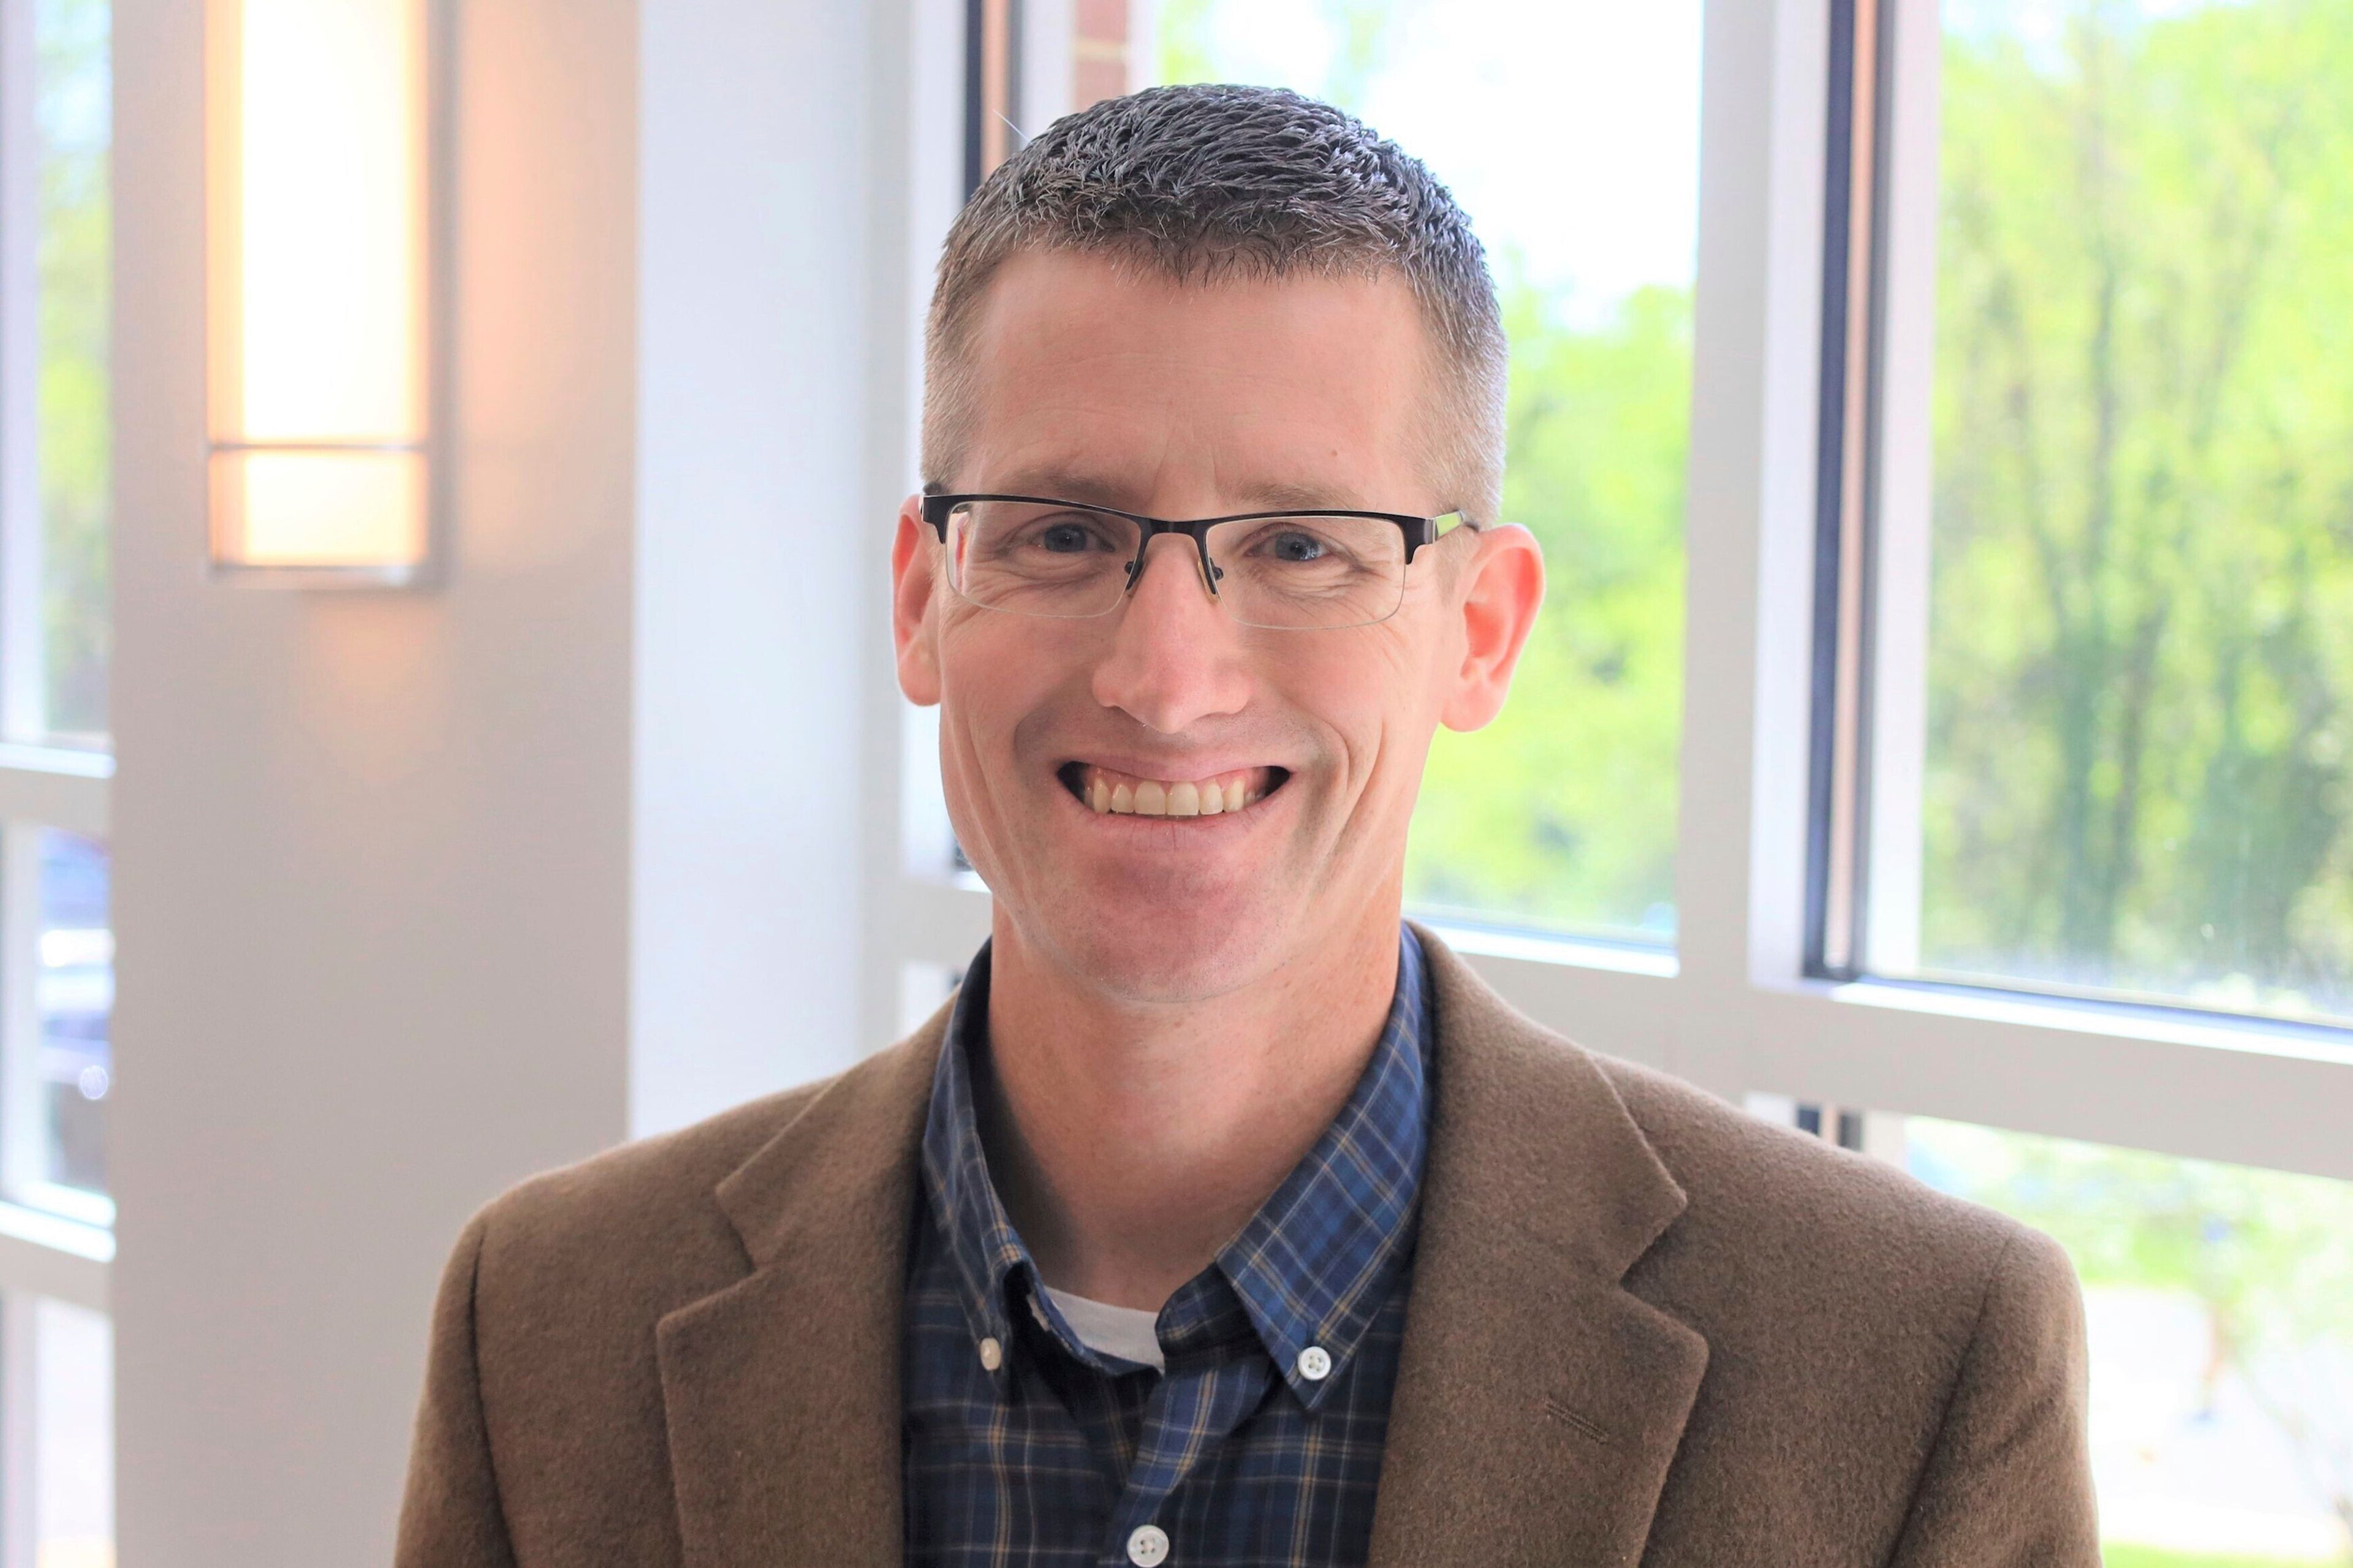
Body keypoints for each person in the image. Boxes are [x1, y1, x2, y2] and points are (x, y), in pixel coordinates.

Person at [395, 84, 2097, 1567]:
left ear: (1479, 629)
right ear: (923, 600)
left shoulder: (1910, 1366)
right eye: (1063, 531)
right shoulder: (549, 1330)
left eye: (1303, 545)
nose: (1166, 676)